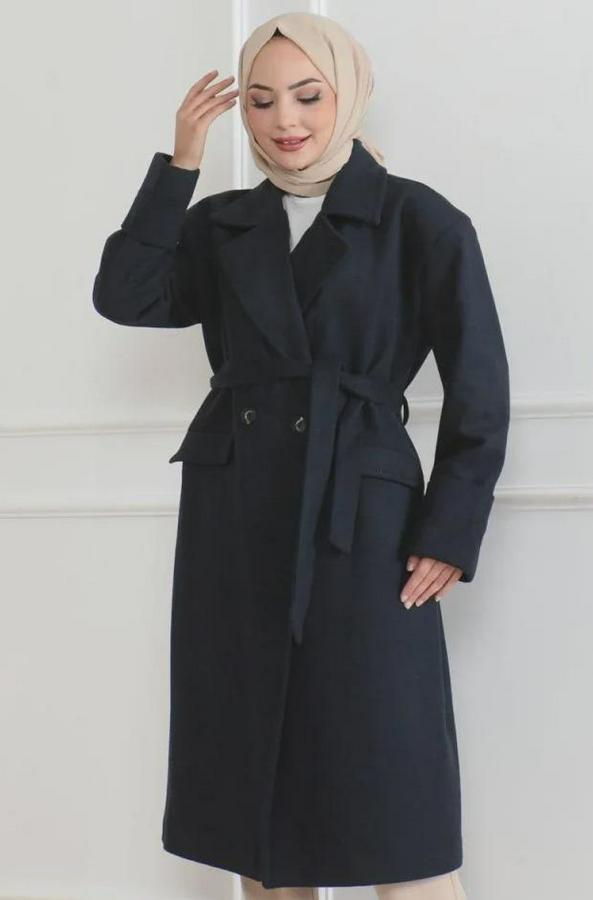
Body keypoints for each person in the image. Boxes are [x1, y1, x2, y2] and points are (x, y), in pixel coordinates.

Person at [92, 11, 509, 900]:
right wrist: (179, 164)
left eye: (308, 96)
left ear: (348, 94)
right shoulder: (222, 223)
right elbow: (125, 296)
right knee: (258, 785)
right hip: (236, 510)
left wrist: (448, 531)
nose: (285, 119)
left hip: (364, 512)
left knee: (392, 779)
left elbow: (479, 389)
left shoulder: (417, 219)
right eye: (261, 99)